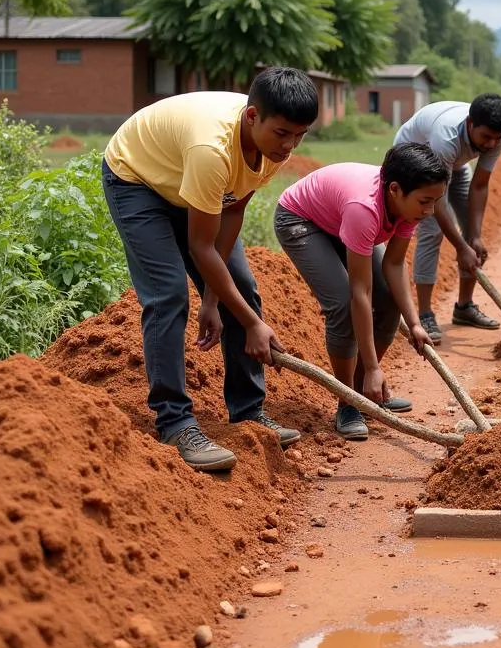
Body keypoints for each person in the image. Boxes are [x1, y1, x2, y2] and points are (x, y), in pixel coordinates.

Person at [101, 67, 319, 472]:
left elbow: (232, 208)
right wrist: (252, 324)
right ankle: (174, 421)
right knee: (168, 294)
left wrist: (216, 299)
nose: (290, 146)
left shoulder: (268, 148)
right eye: (283, 133)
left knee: (243, 288)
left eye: (299, 135)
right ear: (253, 117)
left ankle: (248, 409)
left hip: (191, 181)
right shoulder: (212, 149)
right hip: (138, 178)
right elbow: (200, 247)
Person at [274, 143, 451, 441]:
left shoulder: (408, 210)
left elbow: (394, 265)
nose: (430, 210)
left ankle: (365, 391)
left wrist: (416, 323)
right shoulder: (365, 209)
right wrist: (371, 366)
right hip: (301, 220)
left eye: (435, 201)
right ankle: (349, 402)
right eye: (425, 201)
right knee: (343, 305)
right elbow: (360, 291)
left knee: (389, 302)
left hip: (338, 218)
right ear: (395, 190)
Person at [392, 95, 501, 345]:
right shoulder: (445, 137)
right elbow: (437, 202)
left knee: (472, 235)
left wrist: (473, 237)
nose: (491, 144)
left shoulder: (500, 135)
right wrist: (460, 247)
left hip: (453, 165)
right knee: (432, 230)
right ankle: (424, 314)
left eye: (496, 138)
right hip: (416, 160)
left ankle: (464, 307)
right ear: (470, 123)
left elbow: (479, 186)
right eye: (486, 137)